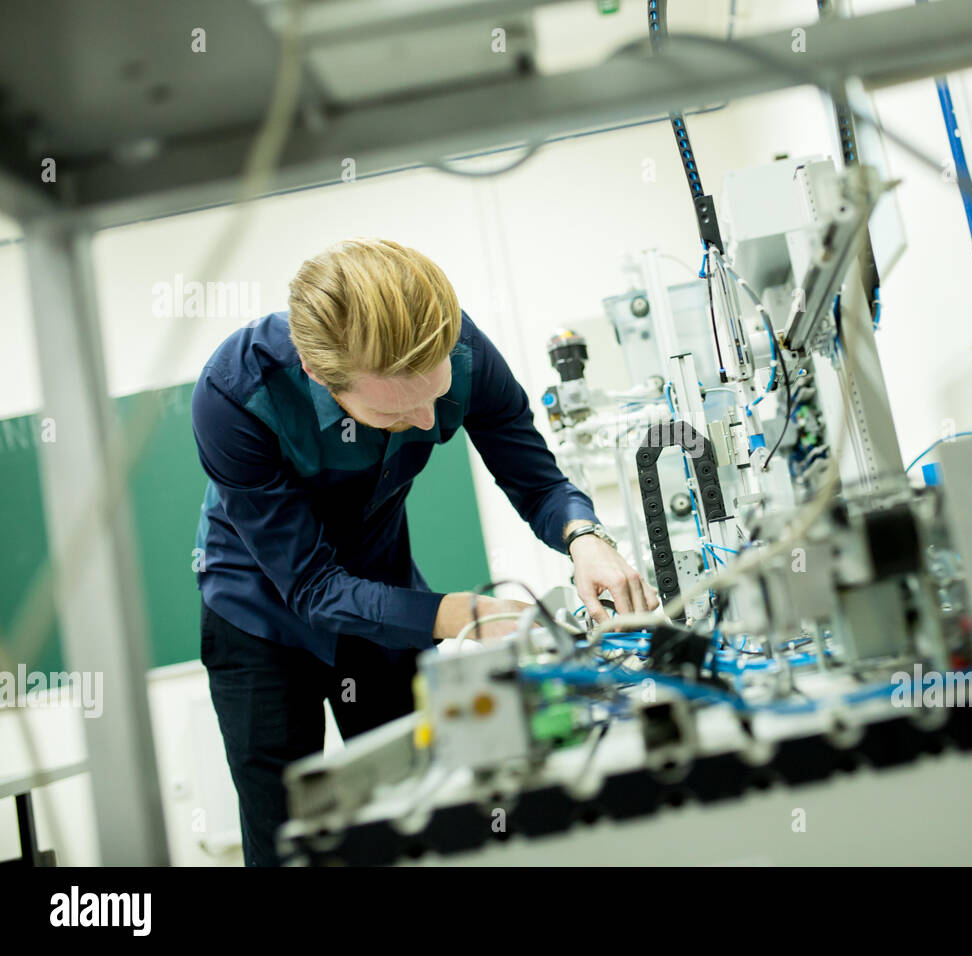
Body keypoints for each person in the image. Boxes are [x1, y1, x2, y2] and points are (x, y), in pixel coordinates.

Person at [191, 238, 656, 865]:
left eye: (435, 399)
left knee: (417, 810)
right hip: (259, 616)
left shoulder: (460, 349)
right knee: (288, 838)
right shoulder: (234, 394)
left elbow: (538, 481)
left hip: (385, 602)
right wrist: (463, 615)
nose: (424, 422)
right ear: (316, 372)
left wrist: (585, 539)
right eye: (394, 413)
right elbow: (313, 588)